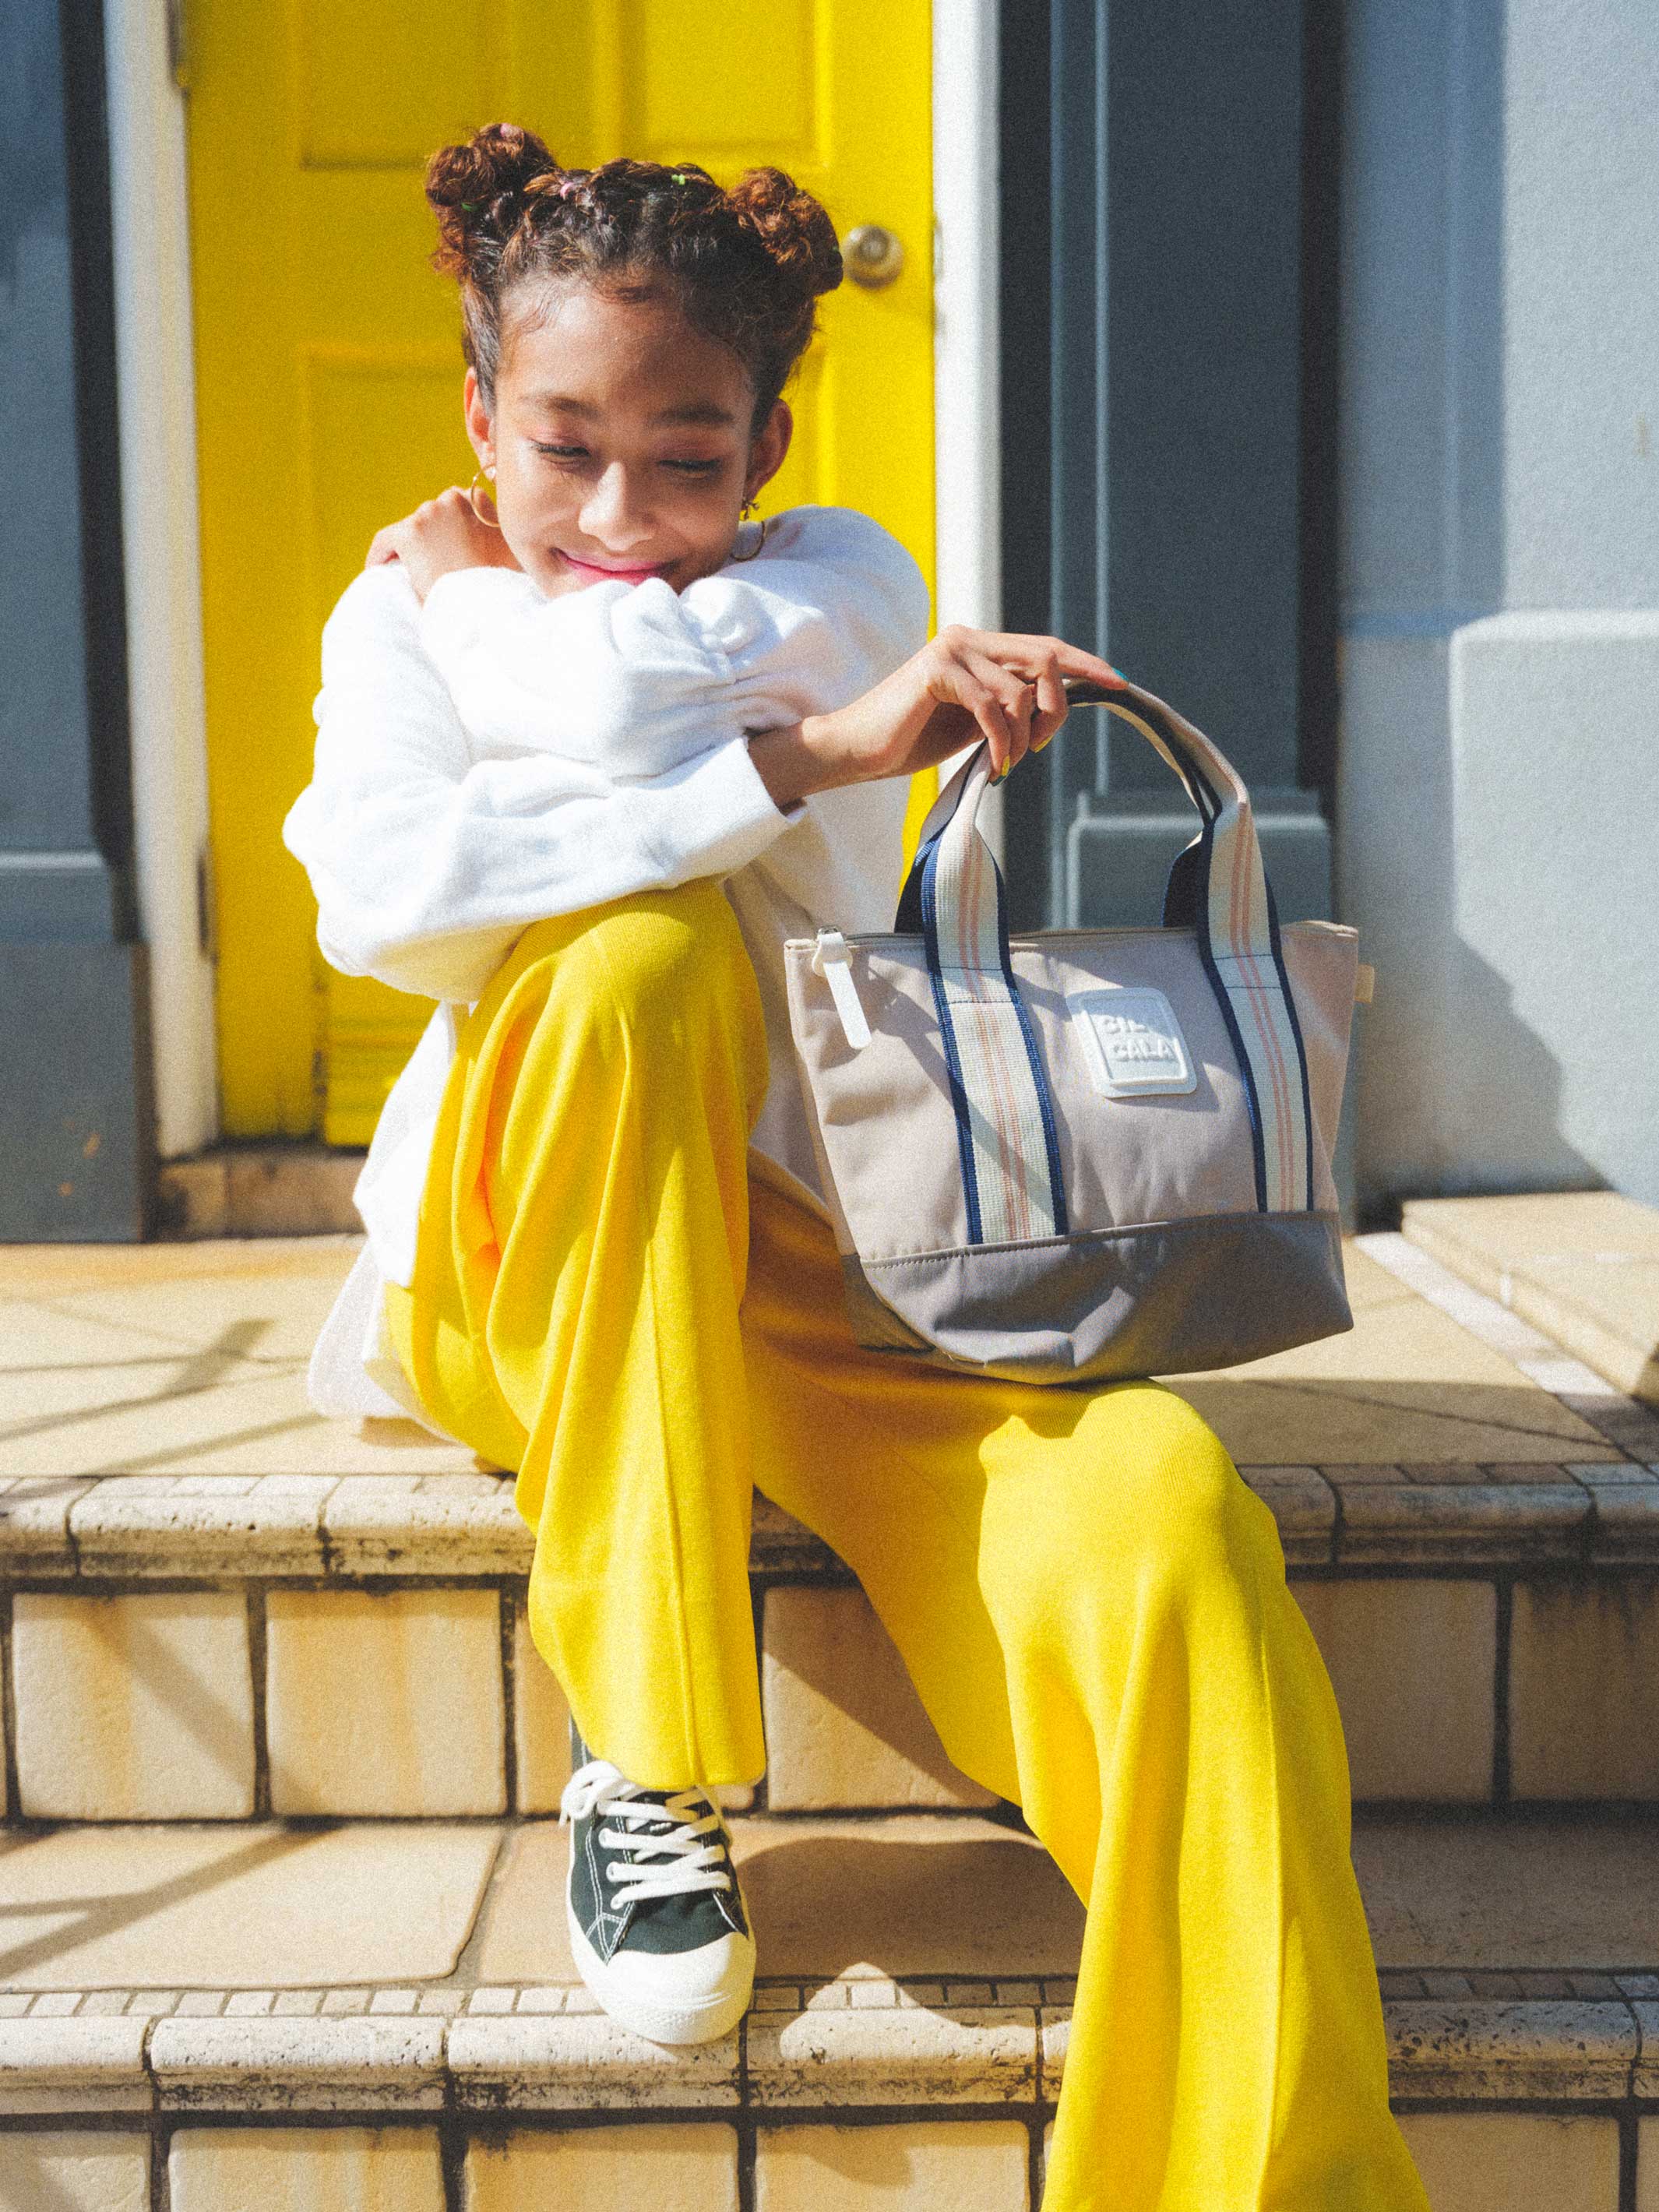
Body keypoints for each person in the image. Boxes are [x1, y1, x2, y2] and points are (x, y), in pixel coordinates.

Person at [283, 122, 1430, 2211]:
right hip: (526, 1262)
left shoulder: (836, 582)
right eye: (559, 451)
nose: (618, 518)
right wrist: (806, 758)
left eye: (686, 457)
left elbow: (596, 701)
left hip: (838, 1261)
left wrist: (478, 606)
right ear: (475, 418)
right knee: (631, 962)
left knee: (1171, 1514)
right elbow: (385, 897)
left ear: (771, 445)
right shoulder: (421, 624)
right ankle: (646, 1744)